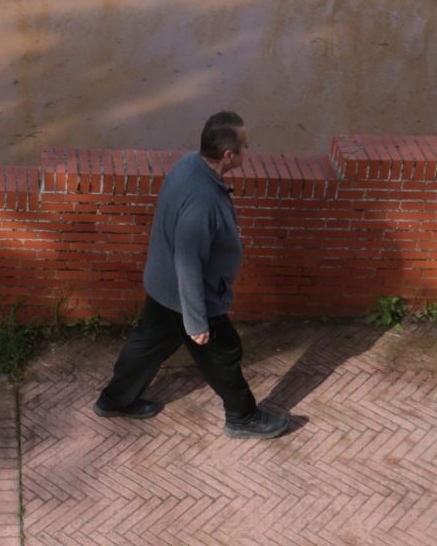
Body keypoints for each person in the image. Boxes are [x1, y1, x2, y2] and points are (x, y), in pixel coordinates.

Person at [92, 111, 291, 438]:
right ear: (229, 155)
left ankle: (114, 400)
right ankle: (243, 417)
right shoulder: (203, 202)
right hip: (191, 297)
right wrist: (196, 322)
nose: (248, 150)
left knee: (147, 345)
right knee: (224, 353)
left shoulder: (187, 165)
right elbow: (189, 263)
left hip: (162, 285)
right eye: (246, 146)